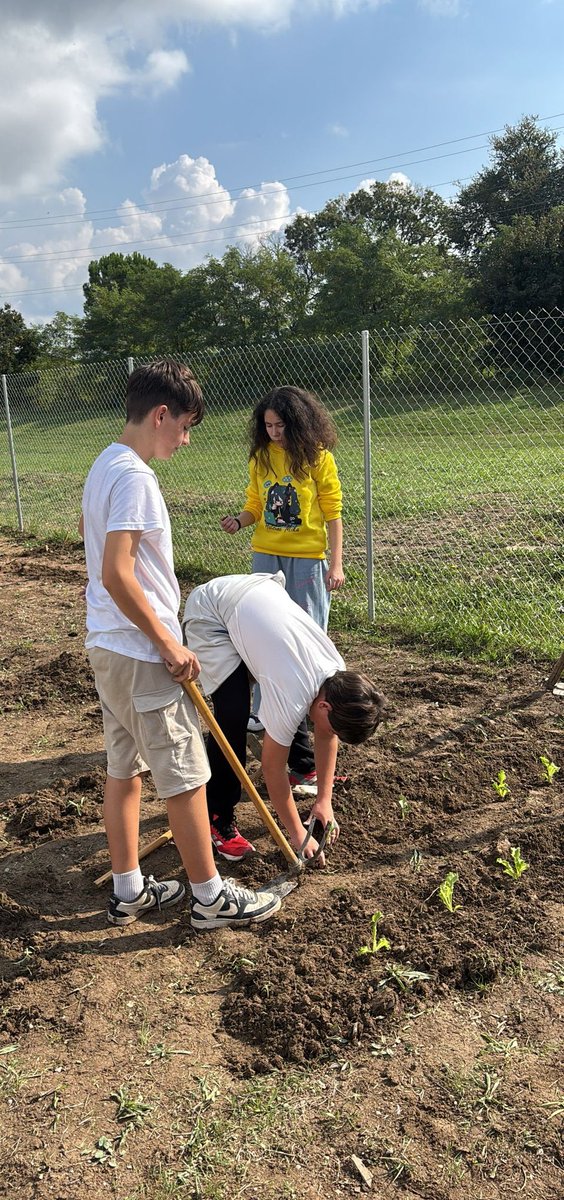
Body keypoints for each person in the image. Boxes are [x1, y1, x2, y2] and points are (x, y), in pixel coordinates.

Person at [80, 359, 281, 931]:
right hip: (140, 653)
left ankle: (129, 891)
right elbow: (119, 573)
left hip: (108, 646)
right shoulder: (137, 478)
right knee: (186, 774)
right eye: (185, 426)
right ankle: (211, 898)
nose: (186, 440)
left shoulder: (104, 464)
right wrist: (167, 640)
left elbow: (91, 544)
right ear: (161, 414)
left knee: (126, 769)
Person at [183, 572, 385, 865]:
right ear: (327, 706)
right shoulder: (292, 692)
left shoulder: (336, 673)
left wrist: (323, 801)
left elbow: (327, 734)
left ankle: (303, 766)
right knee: (232, 715)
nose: (329, 734)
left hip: (256, 600)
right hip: (211, 611)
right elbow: (271, 768)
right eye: (333, 727)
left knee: (295, 711)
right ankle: (217, 814)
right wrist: (296, 833)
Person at [219, 386, 345, 851]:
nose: (273, 433)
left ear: (299, 423)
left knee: (307, 641)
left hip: (307, 560)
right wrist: (241, 520)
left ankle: (308, 742)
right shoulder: (262, 457)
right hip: (266, 556)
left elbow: (332, 513)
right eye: (267, 426)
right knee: (260, 639)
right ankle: (273, 724)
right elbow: (256, 503)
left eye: (280, 425)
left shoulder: (318, 459)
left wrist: (335, 563)